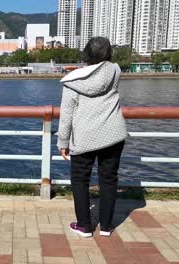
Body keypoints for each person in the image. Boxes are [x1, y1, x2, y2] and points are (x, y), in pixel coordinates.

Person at [56, 37, 128, 238]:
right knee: (109, 179)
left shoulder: (72, 81)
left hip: (84, 137)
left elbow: (67, 115)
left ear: (86, 54)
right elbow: (105, 68)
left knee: (80, 180)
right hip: (113, 134)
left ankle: (84, 226)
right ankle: (106, 226)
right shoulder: (115, 71)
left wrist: (63, 142)